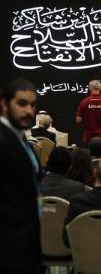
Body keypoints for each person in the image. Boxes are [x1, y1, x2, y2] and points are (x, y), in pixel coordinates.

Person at [0, 79, 42, 273]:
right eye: (22, 104)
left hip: (25, 241)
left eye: (33, 105)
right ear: (4, 104)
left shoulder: (19, 136)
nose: (29, 111)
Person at [76, 79, 101, 144]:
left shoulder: (84, 102)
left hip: (89, 137)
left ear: (89, 89)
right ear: (100, 89)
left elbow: (78, 120)